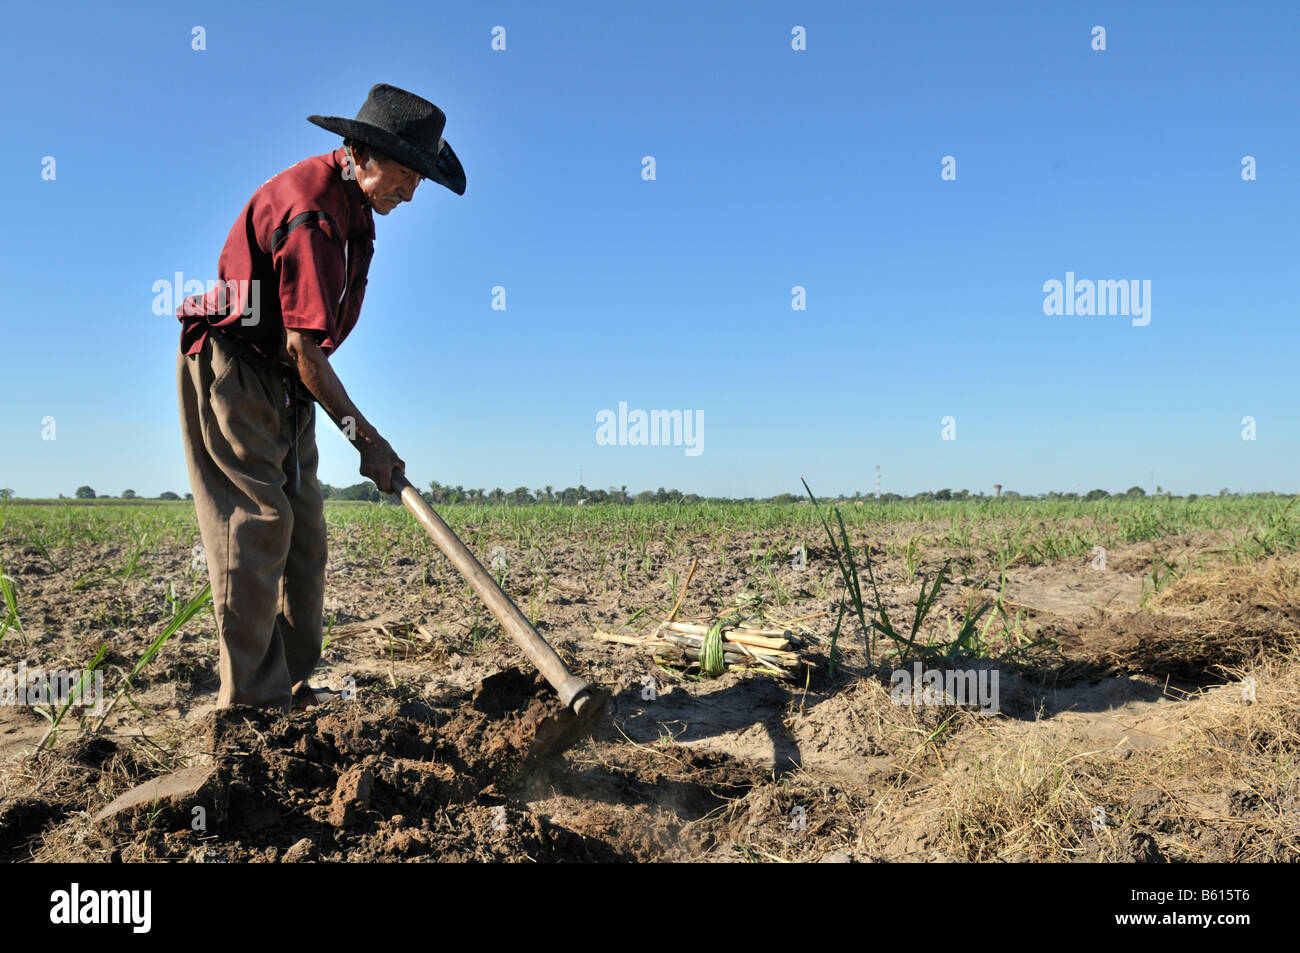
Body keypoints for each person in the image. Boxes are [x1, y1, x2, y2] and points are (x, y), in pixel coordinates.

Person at [175, 84, 465, 711]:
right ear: (360, 152)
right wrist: (370, 442)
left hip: (288, 378)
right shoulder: (313, 212)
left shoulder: (355, 210)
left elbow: (307, 355)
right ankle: (251, 706)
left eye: (422, 177)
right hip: (238, 368)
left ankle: (290, 681)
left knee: (305, 536)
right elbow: (306, 350)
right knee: (256, 527)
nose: (413, 191)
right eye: (408, 173)